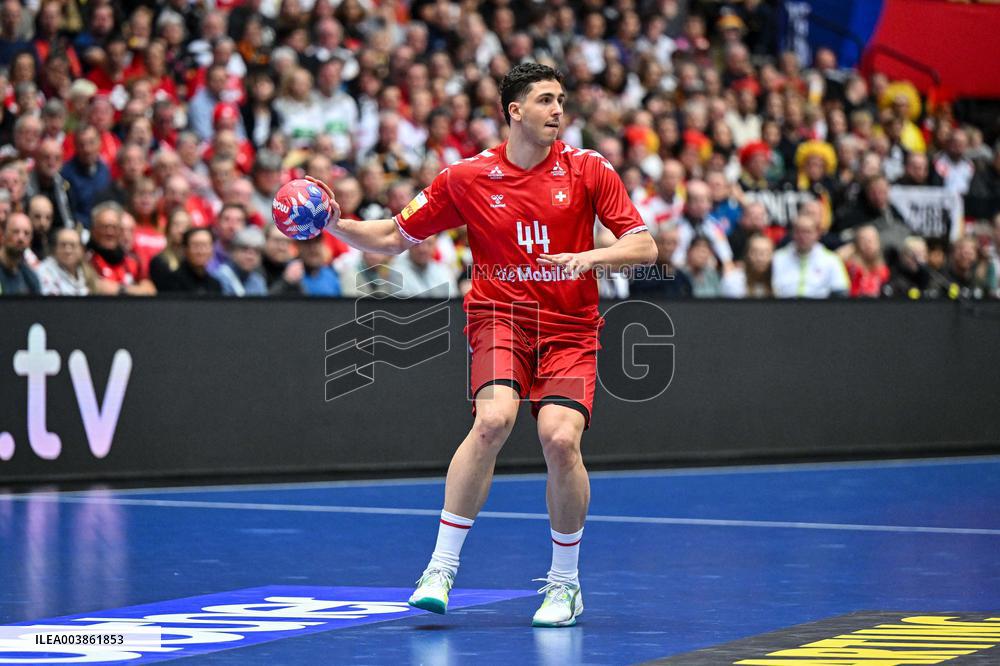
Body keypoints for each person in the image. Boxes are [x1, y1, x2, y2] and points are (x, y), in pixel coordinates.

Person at [307, 63, 655, 627]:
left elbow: (644, 247)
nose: (558, 110)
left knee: (560, 440)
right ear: (514, 110)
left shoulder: (589, 169)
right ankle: (440, 568)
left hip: (570, 327)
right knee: (493, 421)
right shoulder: (466, 178)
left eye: (561, 100)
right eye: (545, 100)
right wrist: (332, 222)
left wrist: (590, 257)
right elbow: (392, 236)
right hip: (500, 318)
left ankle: (565, 584)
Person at [772, 214, 848, 298]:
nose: (802, 236)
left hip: (820, 308)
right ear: (792, 233)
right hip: (782, 307)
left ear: (817, 234)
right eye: (798, 231)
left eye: (807, 232)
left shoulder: (831, 259)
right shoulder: (777, 257)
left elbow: (840, 291)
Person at [161, 227, 223, 295]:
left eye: (205, 245)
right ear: (185, 249)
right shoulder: (172, 281)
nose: (201, 251)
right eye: (195, 246)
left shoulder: (215, 284)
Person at [36, 227, 93, 295]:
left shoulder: (87, 271)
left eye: (73, 245)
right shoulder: (45, 270)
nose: (68, 250)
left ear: (81, 250)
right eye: (63, 245)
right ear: (55, 249)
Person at [215, 226, 268, 296]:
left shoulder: (258, 281)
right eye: (244, 249)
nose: (250, 256)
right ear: (233, 252)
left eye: (256, 251)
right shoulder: (219, 278)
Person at [0, 212, 40, 295]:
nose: (21, 238)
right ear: (3, 235)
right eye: (15, 231)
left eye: (26, 233)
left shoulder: (31, 278)